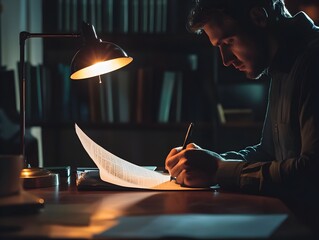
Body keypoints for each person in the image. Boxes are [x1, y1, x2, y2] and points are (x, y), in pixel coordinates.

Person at [165, 0, 319, 234]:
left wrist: (217, 169)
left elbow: (311, 173)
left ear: (258, 17)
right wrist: (208, 161)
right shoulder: (281, 63)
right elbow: (269, 152)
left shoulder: (313, 61)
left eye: (228, 42)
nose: (225, 60)